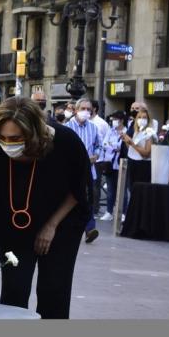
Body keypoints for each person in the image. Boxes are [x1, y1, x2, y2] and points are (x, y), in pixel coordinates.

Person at [0, 97, 90, 319]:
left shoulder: (66, 142)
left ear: (33, 135)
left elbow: (79, 190)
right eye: (3, 138)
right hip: (13, 227)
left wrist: (51, 225)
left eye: (16, 138)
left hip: (62, 223)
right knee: (14, 290)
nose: (9, 144)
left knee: (54, 290)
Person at [65, 99, 102, 243]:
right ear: (76, 110)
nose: (86, 111)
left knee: (88, 199)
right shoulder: (67, 127)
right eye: (83, 108)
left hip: (89, 171)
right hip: (71, 171)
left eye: (89, 109)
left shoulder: (93, 128)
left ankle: (90, 229)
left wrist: (96, 155)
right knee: (71, 198)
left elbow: (98, 145)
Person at [100, 111, 128, 221]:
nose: (113, 122)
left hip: (121, 163)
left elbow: (122, 147)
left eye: (115, 119)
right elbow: (104, 144)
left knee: (122, 189)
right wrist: (114, 146)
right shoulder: (110, 131)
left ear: (121, 120)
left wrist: (114, 146)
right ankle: (109, 211)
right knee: (111, 189)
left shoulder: (126, 131)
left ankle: (123, 212)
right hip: (109, 163)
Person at [122, 108, 155, 189]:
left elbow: (146, 154)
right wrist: (126, 140)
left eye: (144, 118)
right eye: (139, 117)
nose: (141, 120)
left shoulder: (149, 133)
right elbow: (132, 149)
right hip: (132, 162)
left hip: (142, 166)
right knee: (131, 189)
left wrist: (132, 143)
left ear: (148, 120)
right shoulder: (136, 132)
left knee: (140, 191)